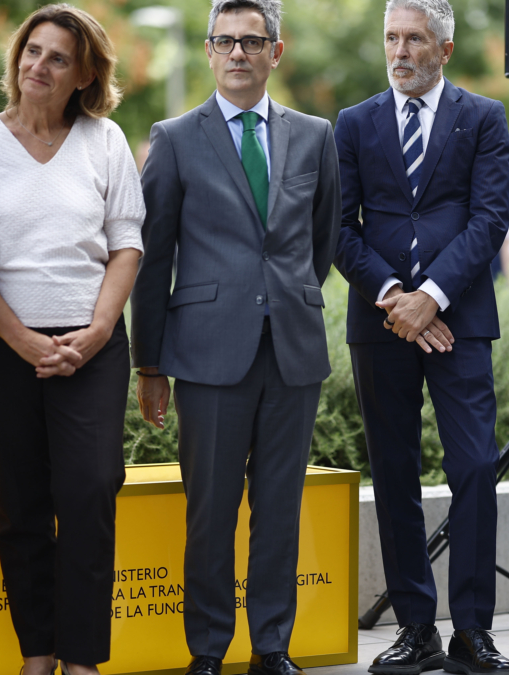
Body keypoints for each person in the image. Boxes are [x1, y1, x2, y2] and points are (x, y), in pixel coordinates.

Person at [132, 1, 340, 674]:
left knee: (279, 509)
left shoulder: (314, 135)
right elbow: (152, 254)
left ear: (276, 52)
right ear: (208, 50)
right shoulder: (174, 137)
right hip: (205, 351)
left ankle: (272, 645)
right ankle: (209, 649)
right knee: (211, 512)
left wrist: (287, 297)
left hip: (292, 349)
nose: (240, 53)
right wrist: (149, 362)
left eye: (254, 41)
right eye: (226, 41)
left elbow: (321, 238)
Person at [0, 5, 144, 675]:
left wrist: (94, 332)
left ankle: (83, 659)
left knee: (91, 488)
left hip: (92, 347)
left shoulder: (106, 140)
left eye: (58, 57)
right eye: (32, 51)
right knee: (20, 497)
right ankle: (38, 653)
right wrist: (23, 340)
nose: (38, 65)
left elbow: (127, 244)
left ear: (85, 72)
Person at [333, 1, 509, 673]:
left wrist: (431, 297)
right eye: (392, 38)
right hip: (379, 325)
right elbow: (338, 228)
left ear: (444, 45)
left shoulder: (484, 117)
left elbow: (490, 217)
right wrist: (393, 298)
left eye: (414, 37)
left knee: (473, 467)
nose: (400, 50)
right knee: (395, 472)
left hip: (459, 321)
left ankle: (473, 630)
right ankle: (417, 627)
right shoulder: (353, 123)